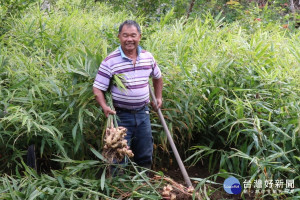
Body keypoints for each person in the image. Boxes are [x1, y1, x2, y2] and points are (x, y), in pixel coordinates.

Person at [93, 20, 163, 170]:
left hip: (143, 113)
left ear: (139, 37)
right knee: (119, 157)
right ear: (119, 37)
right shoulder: (110, 61)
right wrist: (105, 107)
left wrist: (158, 97)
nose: (129, 39)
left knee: (145, 152)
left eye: (133, 35)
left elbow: (157, 77)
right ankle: (119, 190)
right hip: (121, 116)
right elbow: (98, 88)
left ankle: (143, 185)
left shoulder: (148, 57)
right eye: (125, 35)